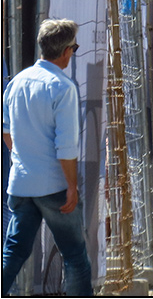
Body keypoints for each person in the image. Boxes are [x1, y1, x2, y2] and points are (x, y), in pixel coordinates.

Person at [2, 19, 94, 296]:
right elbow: (66, 147)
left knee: (14, 251)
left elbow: (7, 133)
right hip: (53, 184)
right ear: (66, 50)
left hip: (21, 182)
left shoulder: (17, 82)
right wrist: (72, 186)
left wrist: (24, 157)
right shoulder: (62, 87)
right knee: (75, 255)